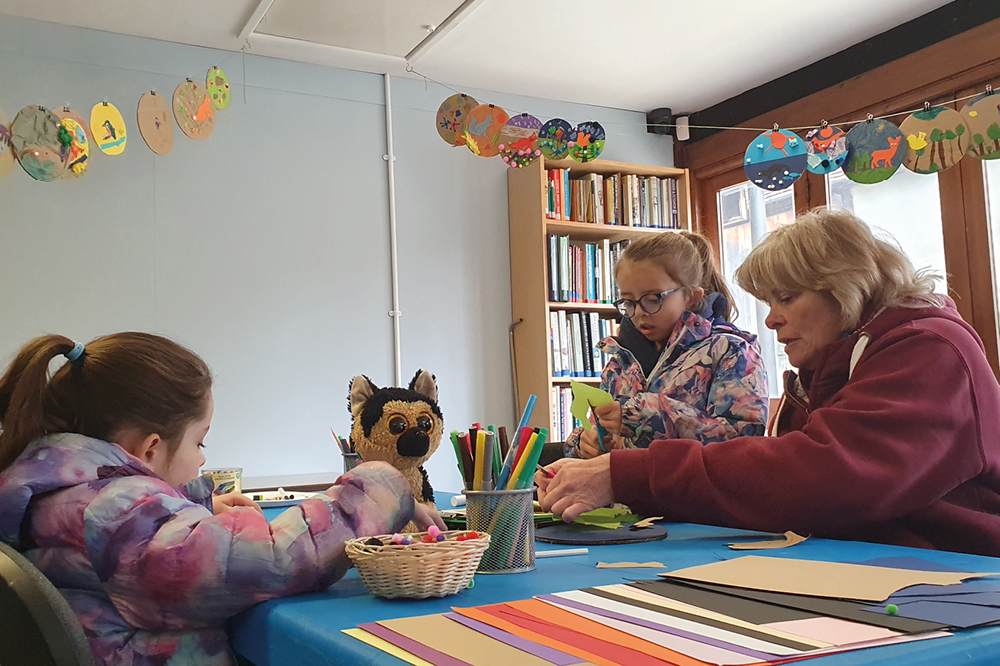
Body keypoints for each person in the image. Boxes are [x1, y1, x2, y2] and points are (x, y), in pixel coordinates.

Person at [538, 208, 1000, 557]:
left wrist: (631, 474)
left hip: (959, 577)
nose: (772, 319)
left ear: (847, 287)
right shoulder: (830, 366)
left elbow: (823, 476)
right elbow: (777, 484)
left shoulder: (930, 348)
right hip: (874, 564)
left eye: (787, 297)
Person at [0, 333, 443, 665]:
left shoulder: (53, 489)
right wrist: (384, 488)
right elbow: (276, 557)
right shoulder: (116, 517)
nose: (201, 461)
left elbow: (137, 530)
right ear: (149, 449)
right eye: (199, 442)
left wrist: (199, 507)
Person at [565, 231, 768, 459]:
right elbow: (597, 429)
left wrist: (640, 415)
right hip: (621, 491)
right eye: (629, 302)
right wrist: (582, 444)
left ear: (691, 296)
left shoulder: (730, 352)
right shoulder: (620, 361)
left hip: (689, 493)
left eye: (653, 299)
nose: (639, 312)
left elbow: (742, 440)